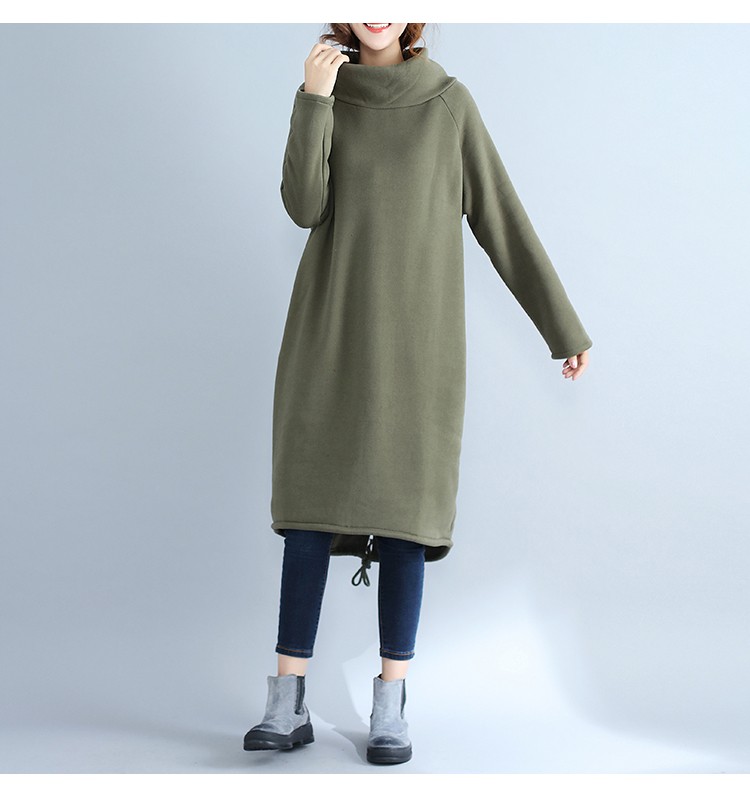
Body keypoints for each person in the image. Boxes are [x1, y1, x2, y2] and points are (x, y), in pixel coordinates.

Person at [243, 22, 592, 766]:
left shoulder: (448, 105)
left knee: (407, 519)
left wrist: (561, 326)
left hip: (417, 350)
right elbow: (303, 206)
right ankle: (286, 698)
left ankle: (390, 703)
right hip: (329, 338)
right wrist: (313, 98)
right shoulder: (325, 95)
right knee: (308, 515)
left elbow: (502, 219)